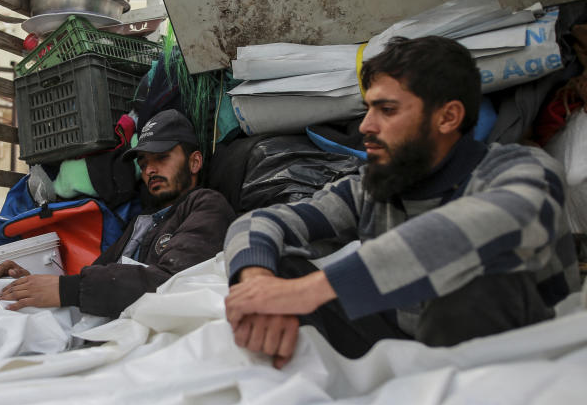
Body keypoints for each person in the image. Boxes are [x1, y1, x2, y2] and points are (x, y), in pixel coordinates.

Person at [224, 36, 580, 367]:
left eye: (387, 110)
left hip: (510, 357)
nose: (365, 125)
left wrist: (313, 290)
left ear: (448, 117)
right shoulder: (374, 187)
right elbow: (258, 222)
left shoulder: (524, 170)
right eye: (368, 109)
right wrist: (260, 286)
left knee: (469, 288)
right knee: (279, 263)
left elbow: (486, 226)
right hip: (403, 344)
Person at [0, 109, 236, 318]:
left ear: (195, 162)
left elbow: (170, 284)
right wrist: (29, 282)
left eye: (162, 158)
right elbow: (92, 277)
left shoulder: (206, 205)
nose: (149, 170)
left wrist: (64, 289)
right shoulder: (143, 221)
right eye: (144, 163)